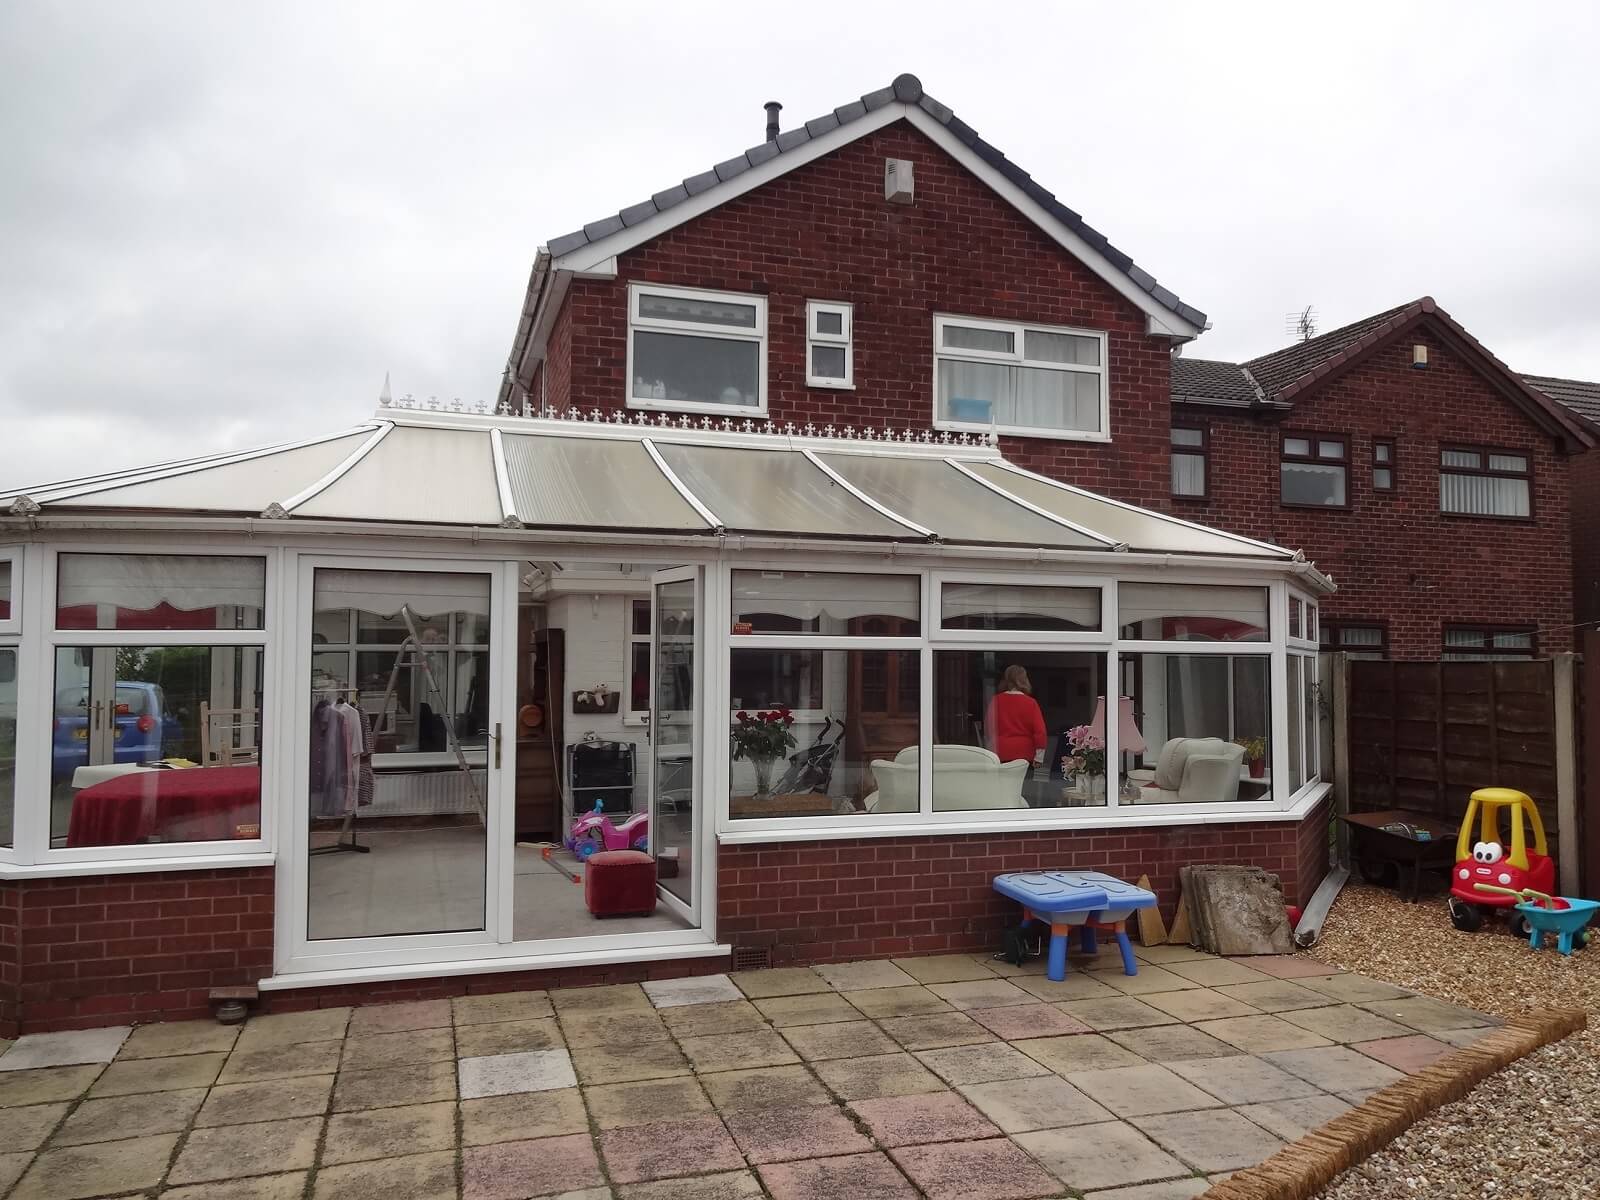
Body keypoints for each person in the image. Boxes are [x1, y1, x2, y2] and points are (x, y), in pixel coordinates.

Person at [985, 664, 1047, 767]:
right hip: (1024, 754)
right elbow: (1040, 732)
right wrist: (1039, 757)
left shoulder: (996, 700)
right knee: (1023, 783)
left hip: (1001, 751)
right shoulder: (1031, 703)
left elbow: (989, 728)